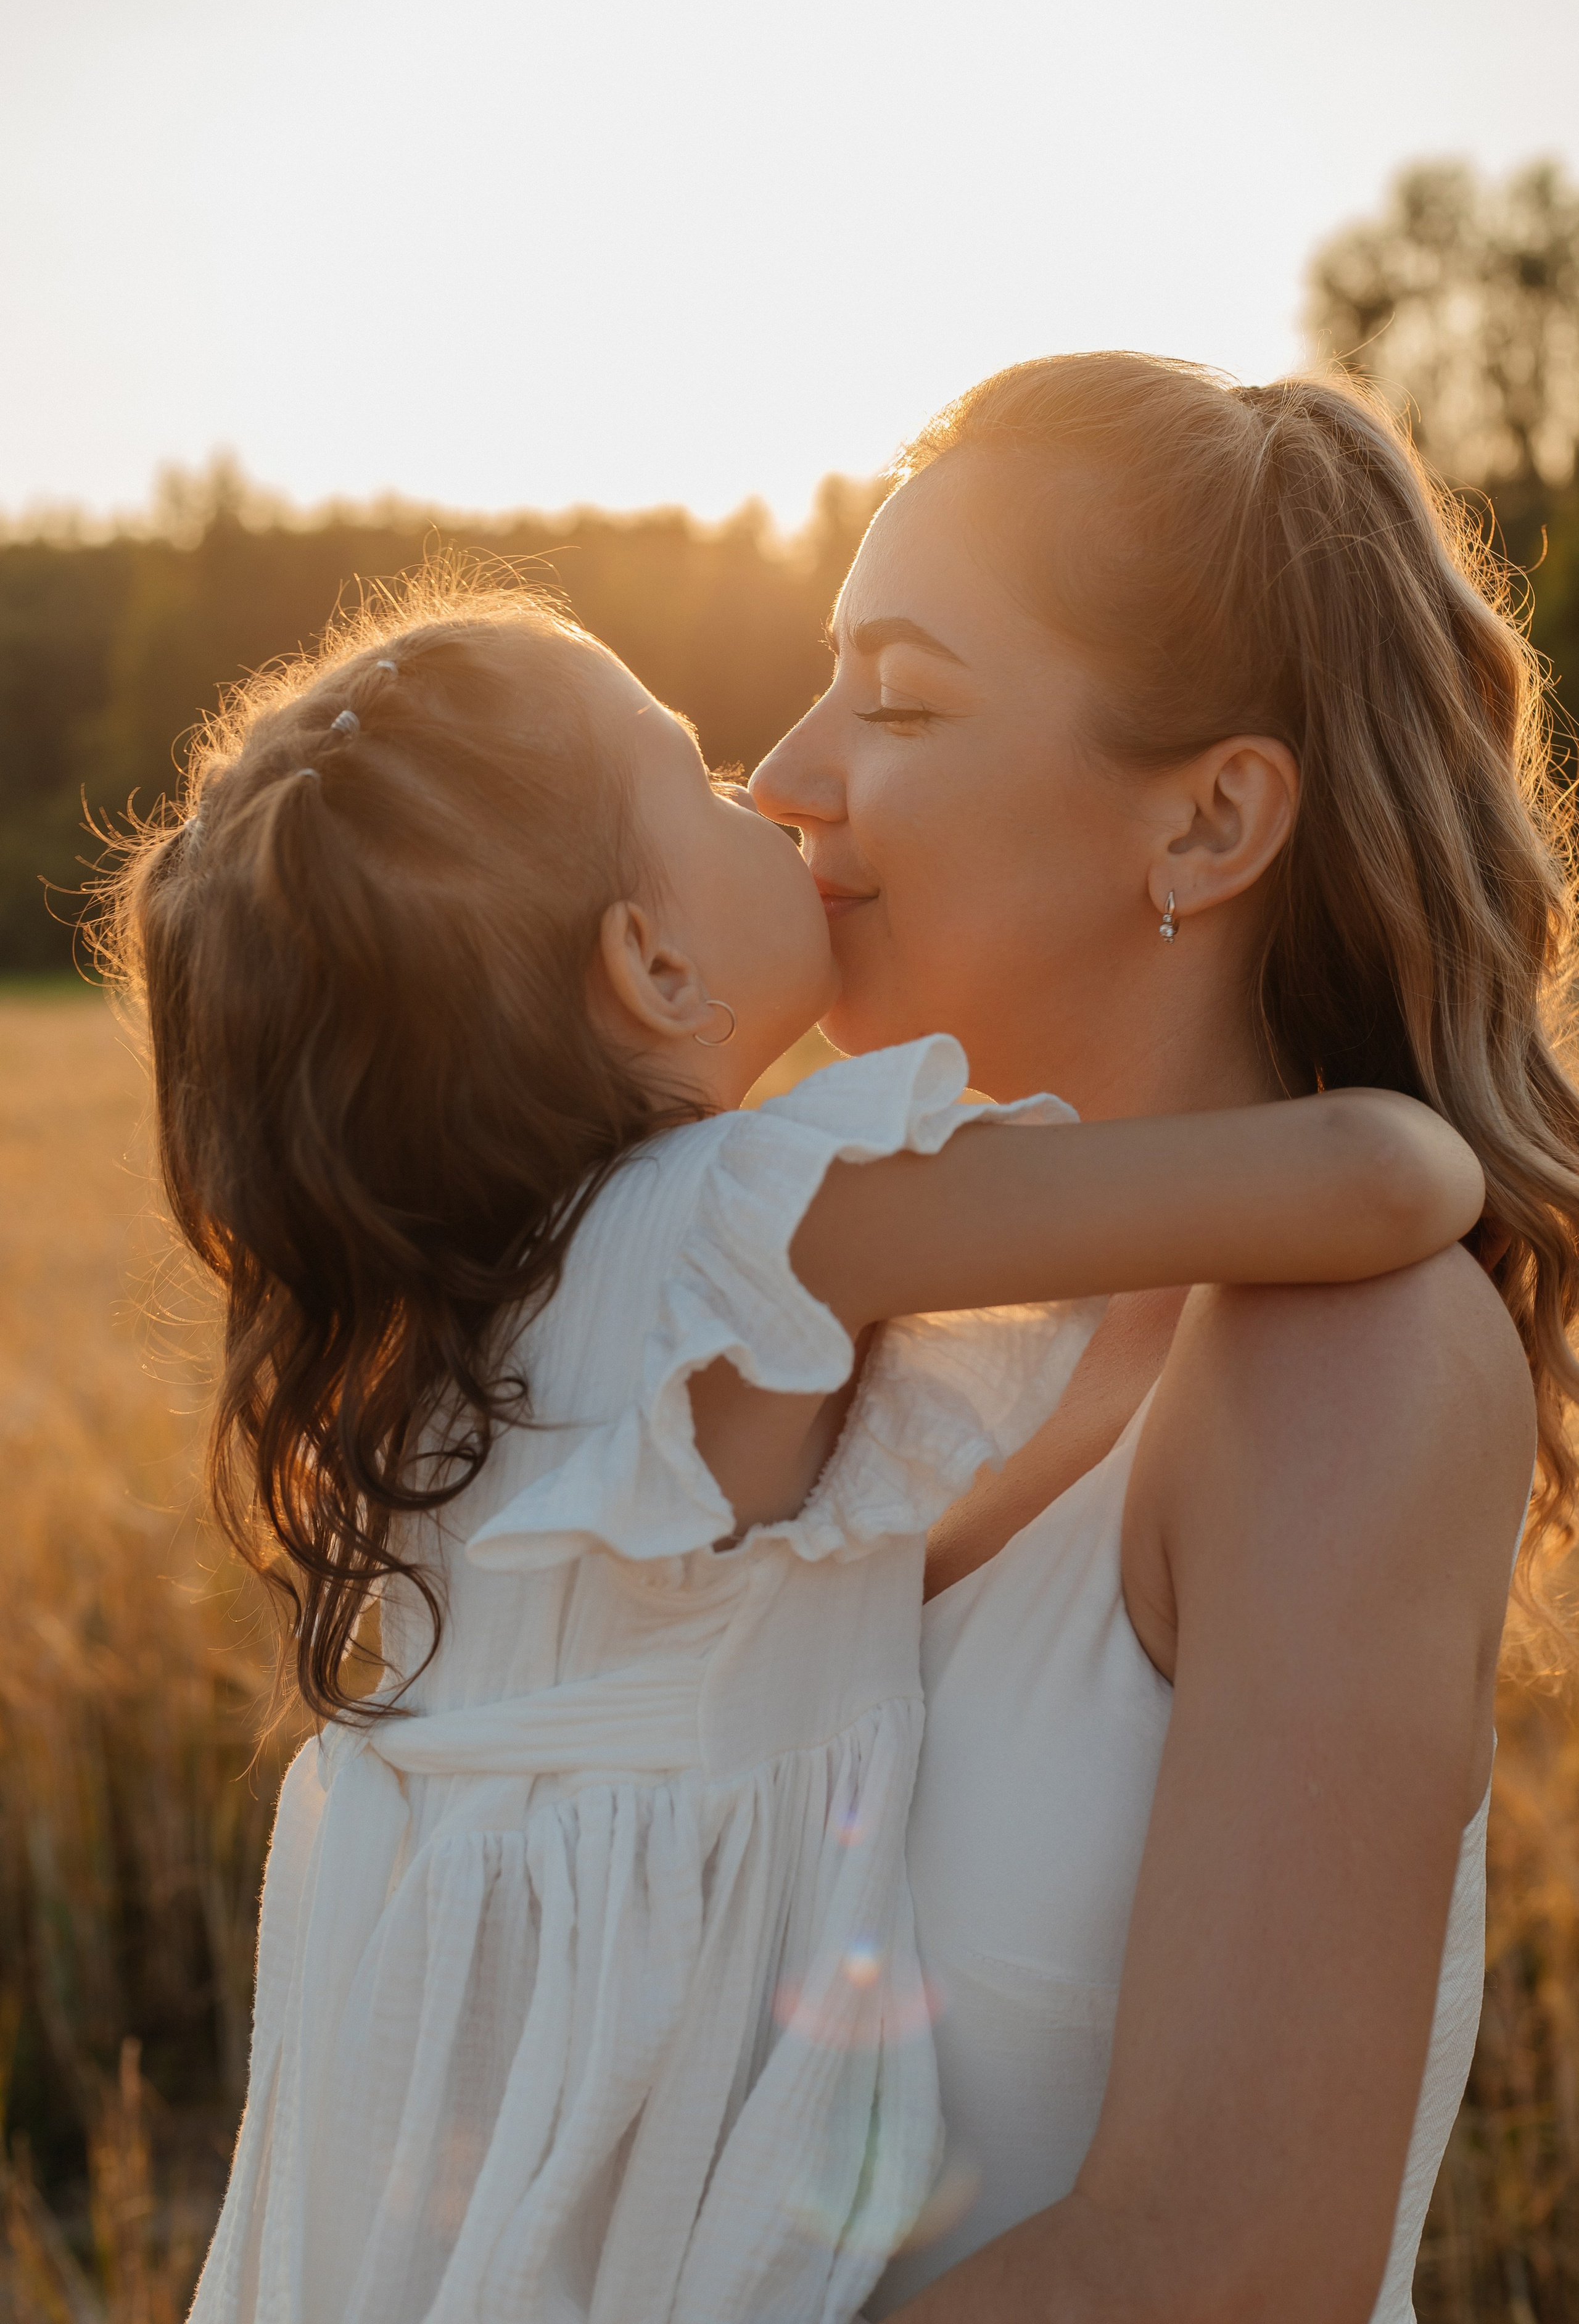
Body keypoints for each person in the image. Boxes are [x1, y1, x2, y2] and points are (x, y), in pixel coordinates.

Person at [102, 585, 1477, 2324]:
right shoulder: (751, 1228)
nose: (782, 795)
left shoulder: (459, 1349)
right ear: (654, 965)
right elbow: (1381, 1180)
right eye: (698, 772)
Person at [750, 352, 1573, 2324]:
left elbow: (1228, 2265)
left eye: (905, 699)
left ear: (1207, 825)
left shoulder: (1350, 1366)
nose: (781, 773)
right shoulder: (890, 1347)